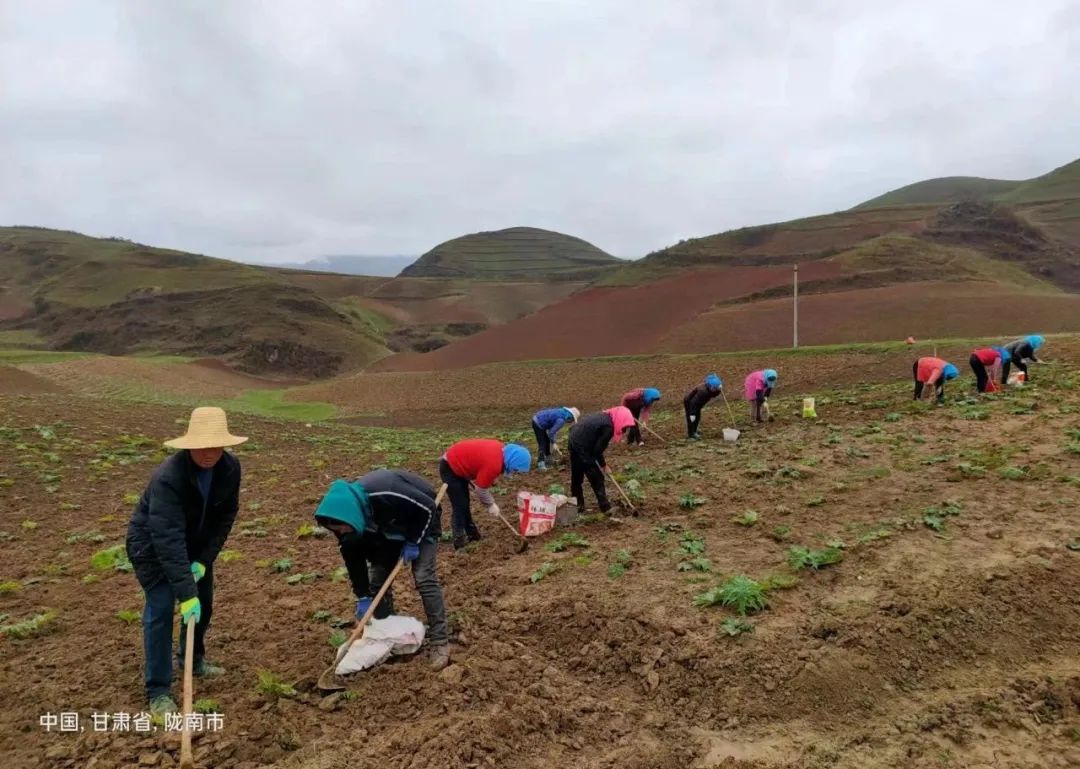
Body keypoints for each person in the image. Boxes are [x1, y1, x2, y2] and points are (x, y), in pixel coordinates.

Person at [125, 407, 245, 715]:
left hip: (195, 546)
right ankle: (158, 690)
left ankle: (193, 660)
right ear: (189, 444)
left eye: (214, 445)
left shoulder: (230, 469)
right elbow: (167, 538)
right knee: (162, 608)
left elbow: (225, 517)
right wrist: (185, 592)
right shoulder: (169, 477)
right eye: (201, 445)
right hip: (151, 547)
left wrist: (204, 561)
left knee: (202, 604)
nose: (208, 452)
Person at [313, 469, 450, 670]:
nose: (340, 533)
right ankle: (391, 633)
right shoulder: (347, 524)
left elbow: (428, 508)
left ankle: (440, 640)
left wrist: (414, 541)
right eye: (336, 530)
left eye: (341, 528)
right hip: (386, 530)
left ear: (349, 516)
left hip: (421, 520)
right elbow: (354, 560)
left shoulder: (388, 492)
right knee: (377, 582)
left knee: (423, 577)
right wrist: (362, 596)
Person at [440, 439, 531, 550]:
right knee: (460, 505)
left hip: (460, 462)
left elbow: (481, 469)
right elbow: (480, 489)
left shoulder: (503, 452)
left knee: (465, 503)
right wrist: (491, 504)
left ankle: (473, 535)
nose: (514, 472)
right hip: (450, 466)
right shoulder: (494, 463)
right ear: (513, 460)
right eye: (515, 469)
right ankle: (459, 542)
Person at [567, 406, 636, 513]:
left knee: (577, 477)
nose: (624, 430)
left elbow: (595, 447)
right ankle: (605, 507)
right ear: (620, 419)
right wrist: (604, 465)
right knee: (597, 477)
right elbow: (597, 451)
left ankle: (578, 507)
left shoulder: (605, 417)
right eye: (624, 426)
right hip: (582, 446)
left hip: (574, 440)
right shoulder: (608, 428)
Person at [683, 374, 723, 439]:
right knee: (692, 419)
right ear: (710, 386)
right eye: (714, 388)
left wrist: (719, 390)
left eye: (716, 387)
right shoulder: (703, 392)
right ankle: (691, 435)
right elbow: (693, 403)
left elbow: (713, 394)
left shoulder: (712, 389)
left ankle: (695, 430)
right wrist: (692, 413)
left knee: (698, 417)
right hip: (689, 402)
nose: (715, 389)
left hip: (698, 403)